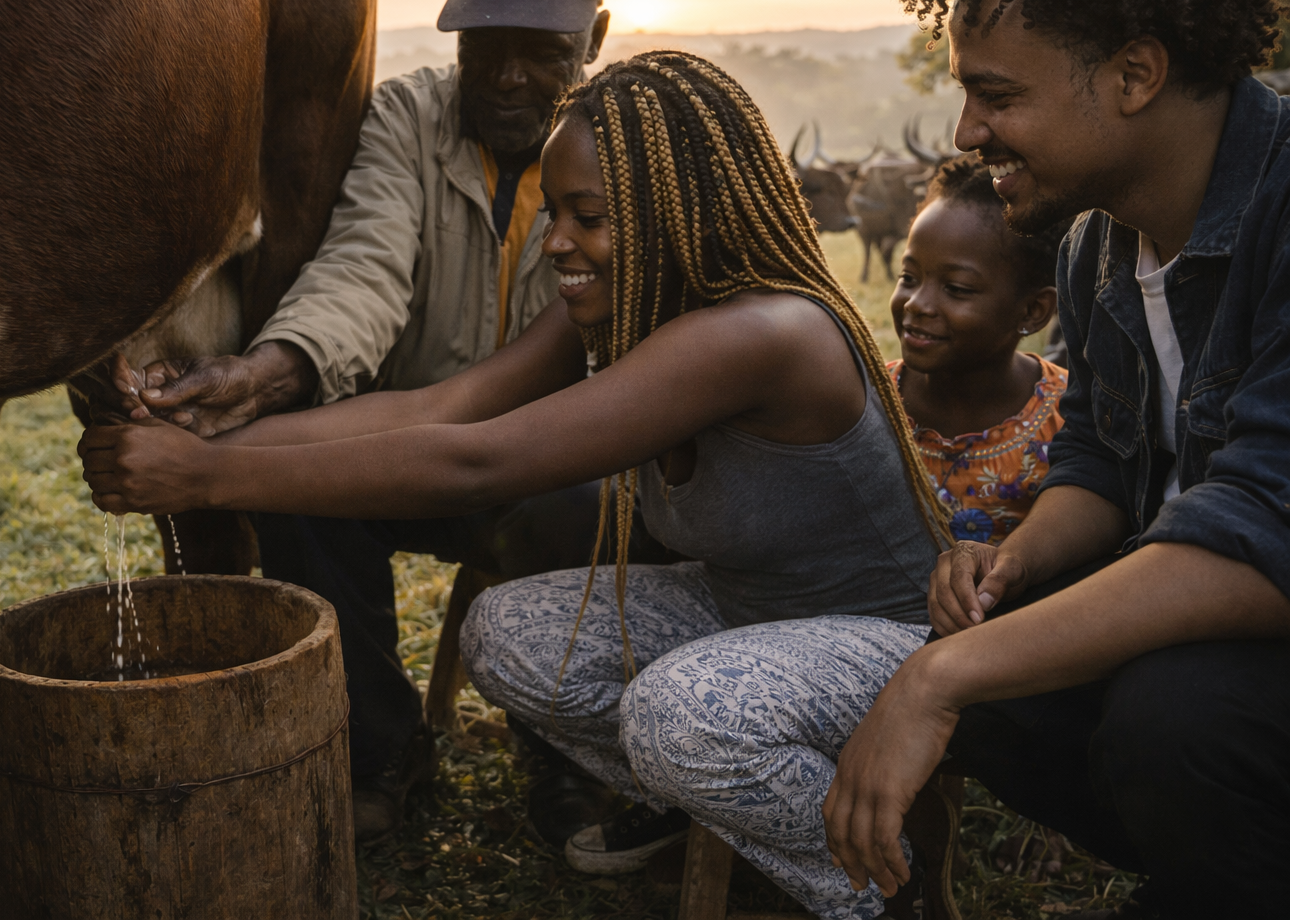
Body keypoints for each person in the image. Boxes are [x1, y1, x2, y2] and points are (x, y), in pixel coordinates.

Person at [81, 51, 950, 920]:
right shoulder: (630, 304)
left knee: (675, 715)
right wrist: (219, 425)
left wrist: (209, 478)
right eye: (555, 210)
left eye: (588, 217)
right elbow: (443, 407)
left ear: (675, 211)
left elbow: (477, 461)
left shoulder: (761, 334)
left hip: (886, 646)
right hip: (748, 617)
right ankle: (730, 803)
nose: (555, 240)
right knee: (509, 637)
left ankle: (884, 878)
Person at [107, 0, 630, 842]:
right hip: (404, 449)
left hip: (550, 465)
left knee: (583, 504)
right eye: (486, 44)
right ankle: (381, 751)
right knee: (298, 493)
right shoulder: (406, 117)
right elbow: (363, 270)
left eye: (543, 49)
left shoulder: (627, 154)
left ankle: (562, 753)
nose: (509, 74)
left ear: (594, 38)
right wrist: (269, 373)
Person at [822, 0, 1290, 917]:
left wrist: (936, 680)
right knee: (1004, 672)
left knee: (1174, 720)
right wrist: (1013, 563)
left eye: (996, 95)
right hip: (1218, 623)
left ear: (1134, 75)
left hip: (1253, 614)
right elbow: (1099, 463)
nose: (967, 132)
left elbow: (1266, 528)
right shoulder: (1095, 246)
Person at [887, 155, 1065, 544]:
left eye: (957, 288)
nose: (916, 303)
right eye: (908, 277)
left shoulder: (1070, 418)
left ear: (1033, 311)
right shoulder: (866, 402)